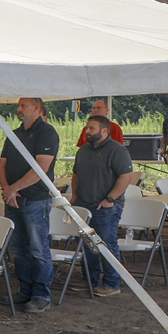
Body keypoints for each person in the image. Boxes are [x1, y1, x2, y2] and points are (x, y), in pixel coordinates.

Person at [0, 97, 60, 312]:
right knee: (18, 248)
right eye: (18, 105)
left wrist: (13, 189)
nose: (19, 109)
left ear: (37, 108)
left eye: (23, 105)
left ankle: (41, 294)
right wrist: (8, 189)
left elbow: (41, 169)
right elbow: (2, 165)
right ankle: (25, 290)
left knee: (37, 247)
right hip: (13, 199)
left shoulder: (47, 133)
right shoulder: (14, 134)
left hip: (35, 199)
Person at [72, 114, 135, 298]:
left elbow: (126, 176)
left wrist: (111, 198)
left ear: (104, 130)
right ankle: (90, 280)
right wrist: (74, 195)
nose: (88, 131)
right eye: (87, 128)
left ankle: (112, 283)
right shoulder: (83, 150)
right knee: (87, 244)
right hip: (83, 205)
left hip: (105, 207)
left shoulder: (117, 150)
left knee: (106, 244)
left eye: (92, 128)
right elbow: (76, 174)